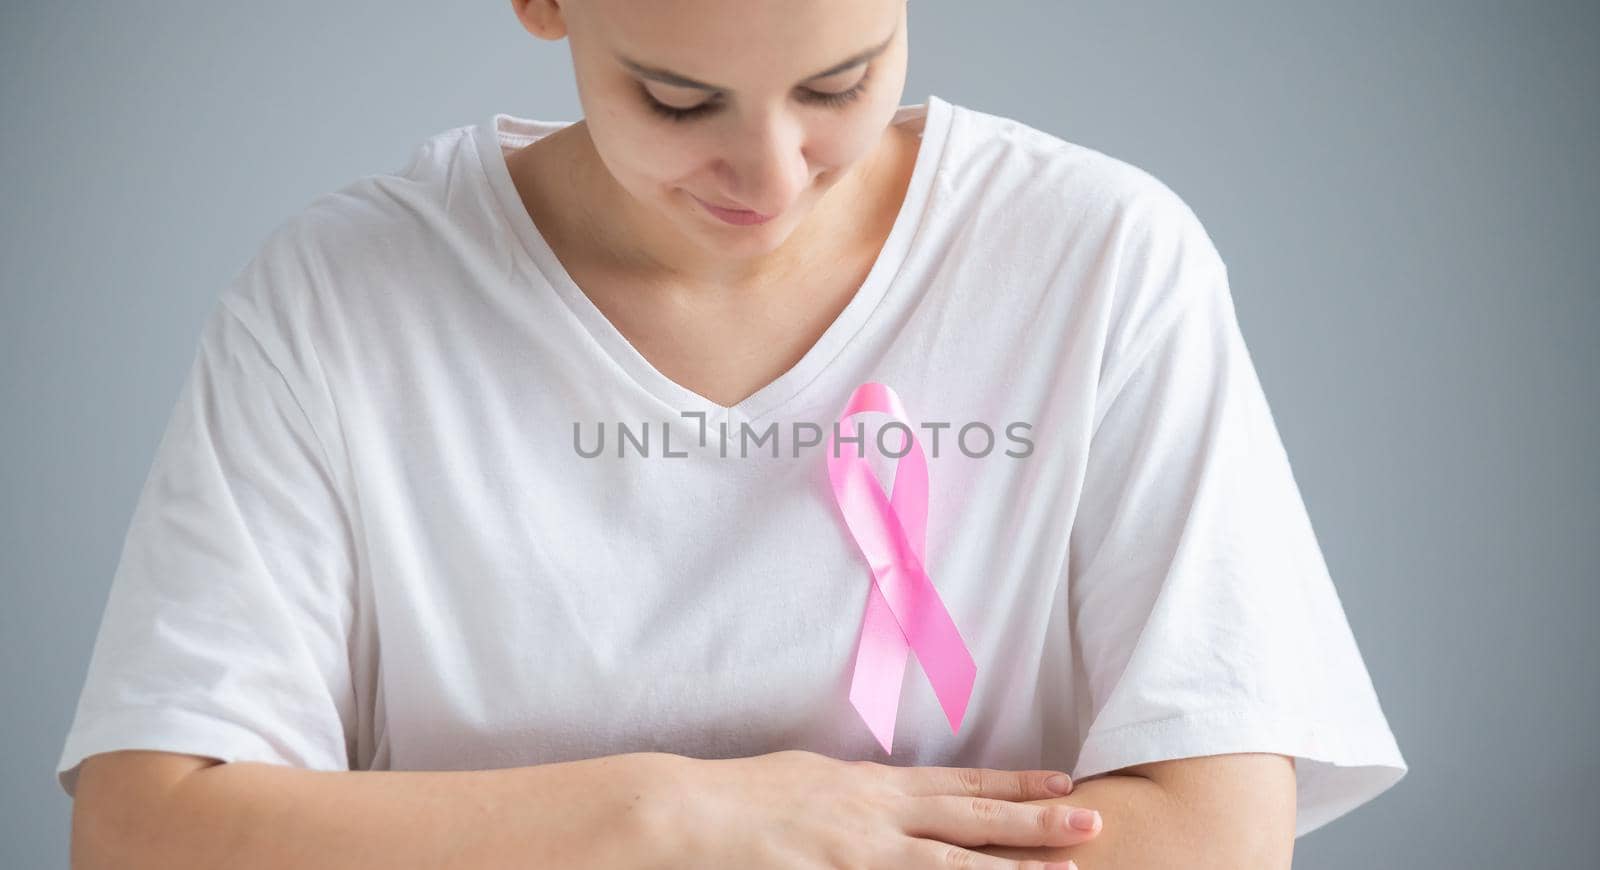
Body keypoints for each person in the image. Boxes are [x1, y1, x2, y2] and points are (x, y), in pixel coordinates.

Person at [57, 0, 1407, 867]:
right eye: (679, 99)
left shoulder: (1107, 261)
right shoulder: (337, 299)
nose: (771, 177)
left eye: (841, 81)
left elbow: (1215, 837)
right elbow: (146, 828)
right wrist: (676, 815)